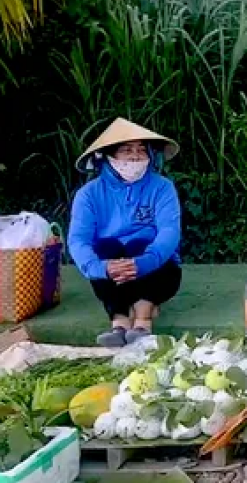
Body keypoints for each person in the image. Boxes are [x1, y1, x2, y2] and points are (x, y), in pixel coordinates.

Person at [68, 118, 182, 347]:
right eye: (126, 150)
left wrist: (144, 262)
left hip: (158, 267)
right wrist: (101, 267)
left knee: (138, 244)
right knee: (105, 248)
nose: (135, 157)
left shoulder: (162, 187)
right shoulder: (88, 194)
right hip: (111, 271)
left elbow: (170, 231)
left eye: (141, 150)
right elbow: (78, 240)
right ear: (108, 157)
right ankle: (119, 322)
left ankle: (143, 320)